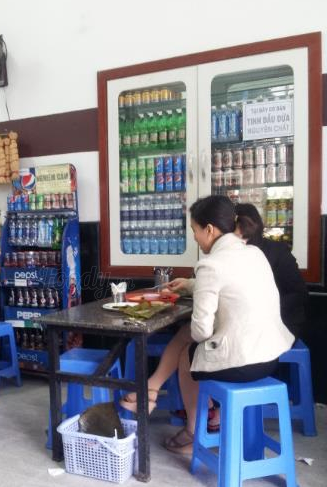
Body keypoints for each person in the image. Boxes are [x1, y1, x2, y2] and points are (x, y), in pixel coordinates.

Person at [120, 195, 294, 455]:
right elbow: (233, 282)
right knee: (186, 337)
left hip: (243, 362)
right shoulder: (253, 253)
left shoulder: (210, 265)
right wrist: (191, 284)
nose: (195, 237)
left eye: (195, 230)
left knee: (187, 354)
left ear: (209, 229)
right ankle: (152, 390)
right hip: (270, 356)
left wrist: (199, 291)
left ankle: (194, 431)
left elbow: (201, 331)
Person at [235, 203, 308, 339]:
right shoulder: (232, 253)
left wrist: (264, 309)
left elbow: (298, 293)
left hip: (283, 323)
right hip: (248, 324)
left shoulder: (277, 252)